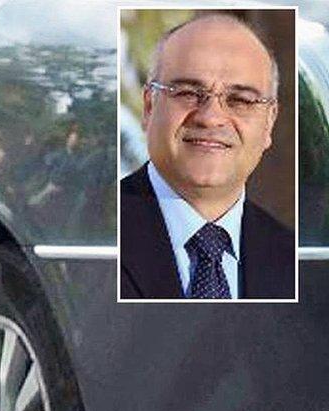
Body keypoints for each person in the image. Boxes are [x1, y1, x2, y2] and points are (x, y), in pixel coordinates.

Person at [120, 14, 294, 299]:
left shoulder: (292, 260)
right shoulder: (91, 231)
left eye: (240, 100)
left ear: (269, 123)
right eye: (188, 92)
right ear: (149, 106)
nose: (211, 118)